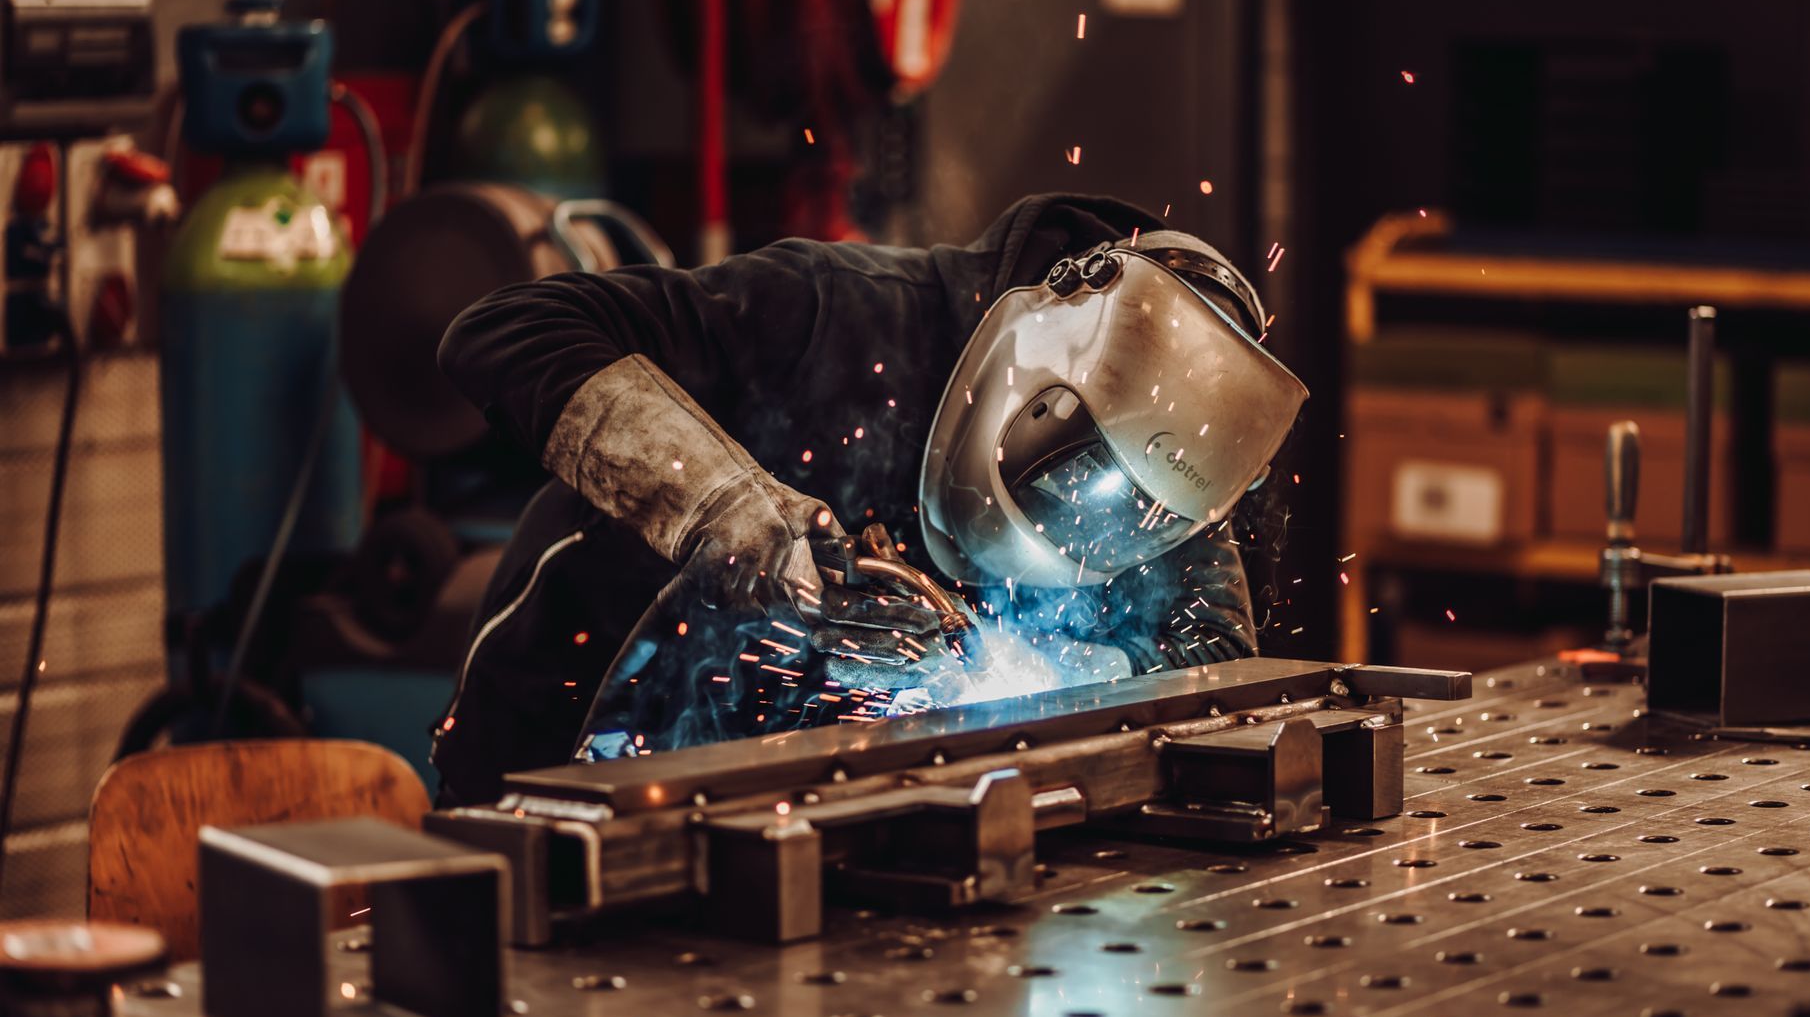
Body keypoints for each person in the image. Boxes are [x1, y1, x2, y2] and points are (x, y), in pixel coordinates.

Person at [430, 193, 1307, 806]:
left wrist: (1043, 674)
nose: (1088, 508)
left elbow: (1212, 683)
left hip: (810, 819)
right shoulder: (837, 316)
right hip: (557, 749)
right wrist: (727, 508)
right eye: (1070, 463)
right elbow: (505, 330)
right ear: (1044, 356)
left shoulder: (1179, 473)